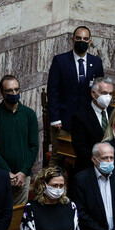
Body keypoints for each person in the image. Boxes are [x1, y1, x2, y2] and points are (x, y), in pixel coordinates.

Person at [47, 26, 105, 159]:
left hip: (86, 121)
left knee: (85, 157)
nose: (81, 41)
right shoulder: (60, 61)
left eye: (85, 39)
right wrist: (55, 119)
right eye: (78, 38)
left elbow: (100, 91)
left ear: (90, 41)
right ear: (72, 39)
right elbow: (53, 90)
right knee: (58, 157)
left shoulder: (96, 62)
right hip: (63, 121)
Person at [0, 74, 39, 205]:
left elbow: (33, 146)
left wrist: (22, 172)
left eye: (16, 89)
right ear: (1, 93)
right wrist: (7, 173)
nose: (14, 93)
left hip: (22, 176)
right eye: (9, 91)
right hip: (0, 175)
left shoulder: (29, 114)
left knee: (17, 217)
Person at [71, 77, 114, 173]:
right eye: (104, 93)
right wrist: (101, 163)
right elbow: (80, 149)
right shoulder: (80, 117)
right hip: (90, 168)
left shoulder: (114, 113)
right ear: (93, 93)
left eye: (110, 94)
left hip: (114, 167)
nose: (108, 97)